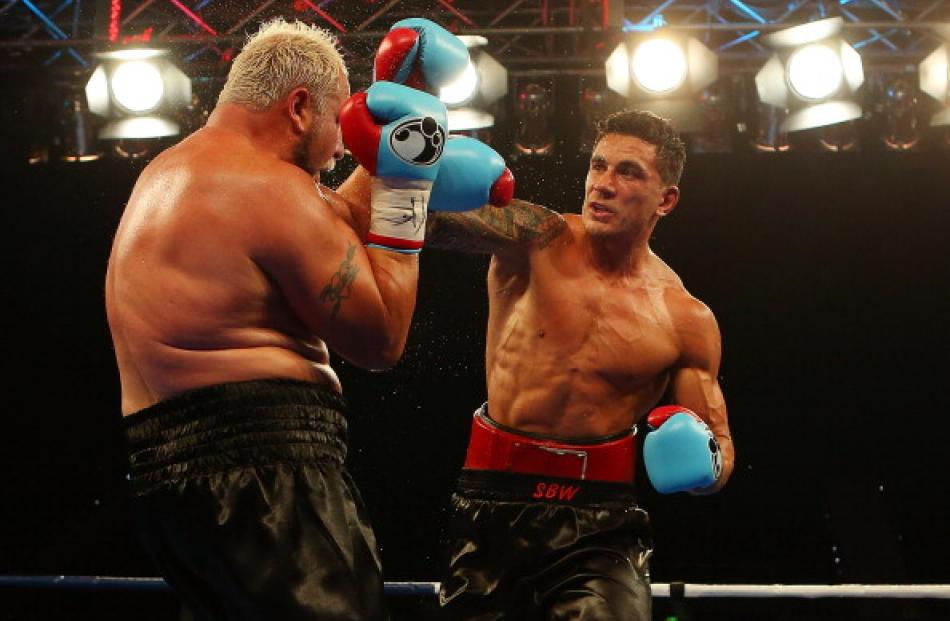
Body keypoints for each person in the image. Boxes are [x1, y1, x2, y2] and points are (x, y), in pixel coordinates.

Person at [105, 17, 477, 621]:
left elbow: (327, 220)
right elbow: (381, 339)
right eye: (337, 126)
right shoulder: (272, 189)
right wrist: (407, 188)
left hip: (171, 485)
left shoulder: (171, 175)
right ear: (300, 107)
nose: (338, 151)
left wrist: (406, 125)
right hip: (266, 479)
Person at [424, 109, 736, 620]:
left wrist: (703, 466)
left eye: (628, 172)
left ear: (667, 199)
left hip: (601, 521)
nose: (603, 184)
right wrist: (407, 166)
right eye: (598, 166)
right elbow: (421, 219)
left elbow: (720, 448)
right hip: (491, 500)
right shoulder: (537, 236)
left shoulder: (685, 319)